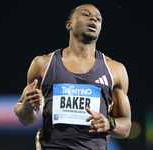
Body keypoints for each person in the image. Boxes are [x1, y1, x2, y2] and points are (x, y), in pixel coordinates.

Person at [14, 4, 131, 150]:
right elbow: (25, 119)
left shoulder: (115, 70)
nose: (93, 18)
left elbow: (126, 127)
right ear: (69, 25)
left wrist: (109, 123)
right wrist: (27, 106)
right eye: (86, 14)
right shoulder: (43, 64)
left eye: (98, 18)